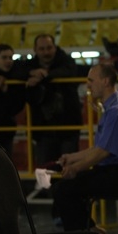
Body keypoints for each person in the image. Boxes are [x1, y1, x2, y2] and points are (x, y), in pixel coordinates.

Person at [51, 63, 118, 234]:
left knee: (63, 190)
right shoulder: (113, 108)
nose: (88, 85)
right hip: (114, 171)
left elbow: (103, 152)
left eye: (91, 80)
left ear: (105, 81)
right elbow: (99, 148)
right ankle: (90, 232)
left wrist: (76, 168)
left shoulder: (116, 111)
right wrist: (72, 158)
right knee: (65, 188)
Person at [19, 34, 82, 167]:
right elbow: (15, 71)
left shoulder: (66, 61)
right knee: (45, 171)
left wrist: (43, 76)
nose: (46, 52)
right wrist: (31, 73)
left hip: (68, 127)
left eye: (49, 48)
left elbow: (68, 70)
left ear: (55, 47)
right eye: (42, 49)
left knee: (69, 170)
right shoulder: (29, 66)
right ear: (35, 49)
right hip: (42, 129)